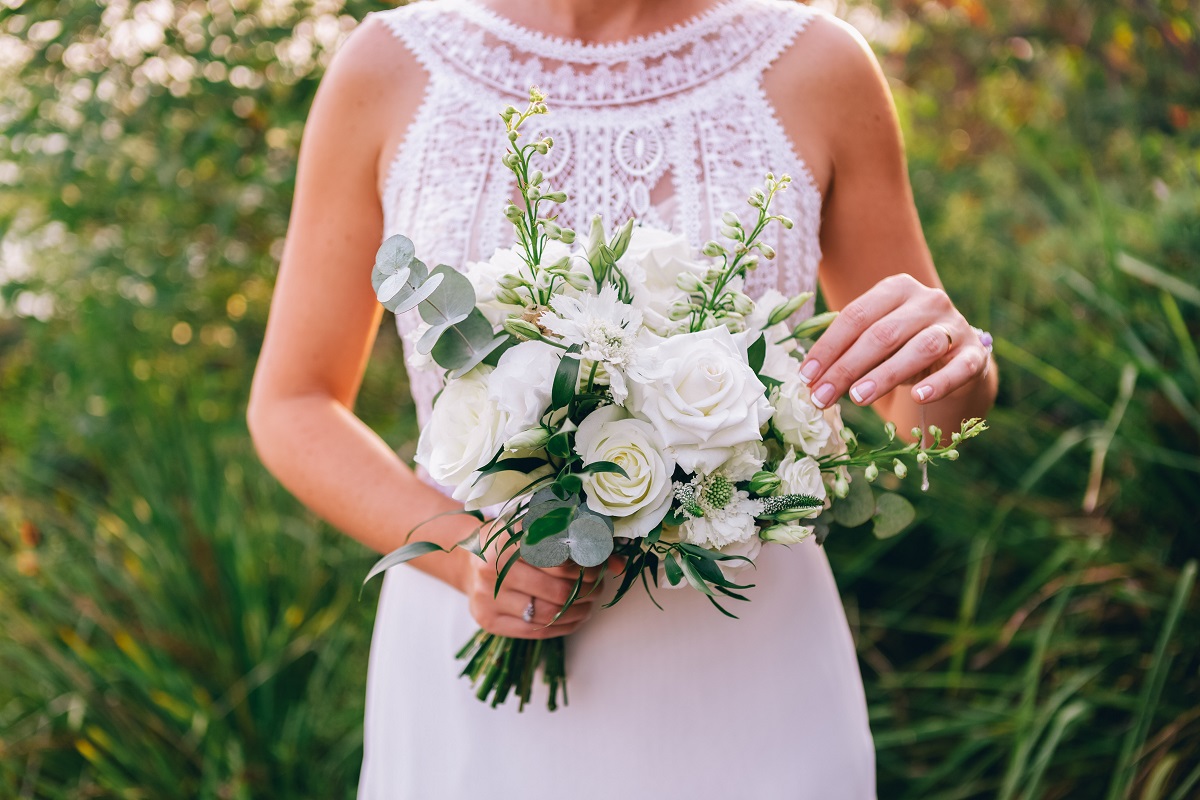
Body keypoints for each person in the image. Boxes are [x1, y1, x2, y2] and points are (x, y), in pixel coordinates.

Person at [247, 0, 998, 796]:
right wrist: (471, 557)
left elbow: (922, 417)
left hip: (746, 669)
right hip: (480, 651)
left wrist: (954, 357)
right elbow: (293, 402)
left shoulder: (818, 65)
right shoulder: (391, 65)